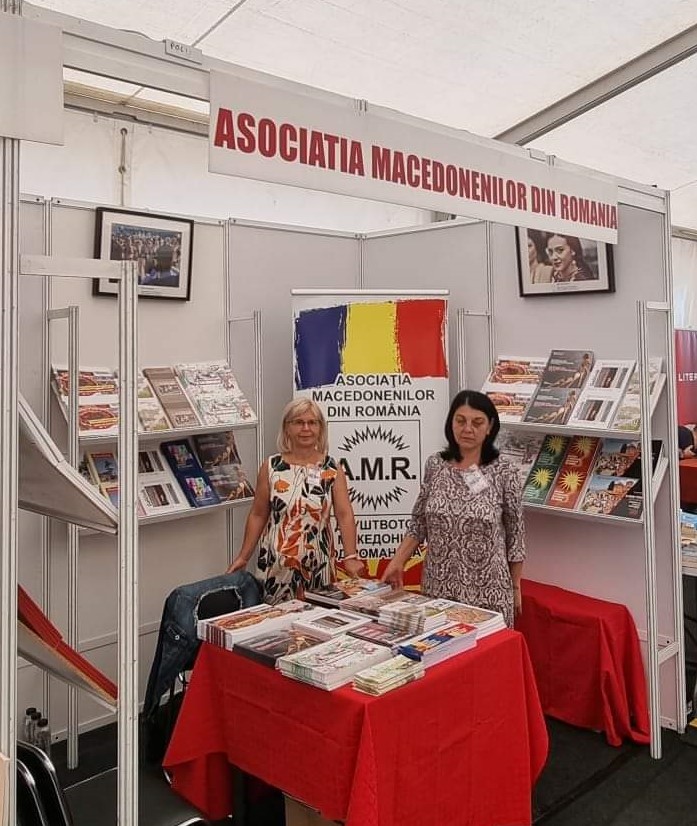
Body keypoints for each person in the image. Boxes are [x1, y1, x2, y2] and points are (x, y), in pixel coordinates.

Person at [381, 390, 525, 627]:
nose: (467, 429)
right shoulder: (435, 465)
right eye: (460, 421)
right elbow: (419, 523)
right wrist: (398, 561)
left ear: (490, 427)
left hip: (487, 591)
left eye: (477, 422)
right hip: (438, 588)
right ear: (451, 423)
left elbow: (516, 535)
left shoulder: (505, 472)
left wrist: (515, 586)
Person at [227, 399, 364, 602]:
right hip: (275, 566)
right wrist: (243, 556)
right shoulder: (271, 467)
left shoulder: (332, 468)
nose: (306, 428)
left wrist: (351, 556)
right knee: (274, 618)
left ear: (320, 428)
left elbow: (344, 515)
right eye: (299, 422)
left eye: (312, 422)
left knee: (319, 616)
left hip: (318, 566)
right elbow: (258, 514)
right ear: (287, 428)